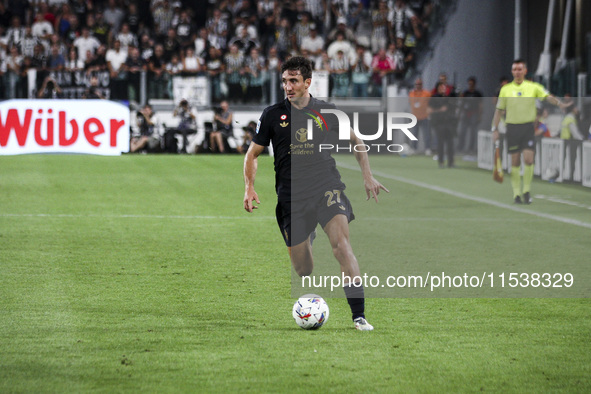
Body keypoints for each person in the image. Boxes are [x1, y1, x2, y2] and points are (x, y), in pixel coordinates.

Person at [243, 56, 388, 331]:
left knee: (342, 247)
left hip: (326, 187)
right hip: (291, 197)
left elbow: (357, 141)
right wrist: (249, 187)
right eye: (285, 81)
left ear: (308, 82)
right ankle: (307, 234)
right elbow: (253, 154)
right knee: (303, 270)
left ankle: (359, 316)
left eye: (293, 81)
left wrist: (367, 176)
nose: (288, 86)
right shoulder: (272, 115)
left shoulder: (327, 111)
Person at [492, 59, 567, 204]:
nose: (517, 72)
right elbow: (499, 111)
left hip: (527, 128)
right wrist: (494, 129)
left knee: (528, 159)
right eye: (514, 69)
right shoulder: (506, 89)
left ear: (525, 71)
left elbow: (547, 96)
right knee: (515, 161)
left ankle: (526, 190)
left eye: (520, 69)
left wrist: (560, 103)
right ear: (512, 71)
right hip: (512, 128)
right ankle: (516, 193)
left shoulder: (533, 87)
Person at [429, 81, 456, 168]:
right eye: (441, 87)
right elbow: (429, 110)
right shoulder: (434, 98)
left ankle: (451, 162)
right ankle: (441, 162)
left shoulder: (448, 98)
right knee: (441, 143)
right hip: (439, 123)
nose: (443, 89)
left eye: (444, 87)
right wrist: (440, 110)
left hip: (448, 122)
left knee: (450, 143)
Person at [408, 77, 431, 154]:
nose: (418, 85)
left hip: (424, 116)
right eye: (417, 84)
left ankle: (427, 148)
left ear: (422, 84)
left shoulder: (426, 93)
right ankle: (413, 148)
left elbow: (430, 104)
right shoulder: (411, 94)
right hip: (415, 116)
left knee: (426, 134)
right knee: (414, 134)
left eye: (419, 84)